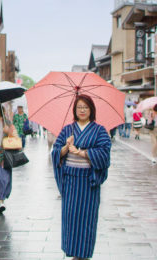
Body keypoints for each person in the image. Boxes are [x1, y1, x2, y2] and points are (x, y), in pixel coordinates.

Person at [51, 94, 111, 259]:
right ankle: (73, 252)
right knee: (71, 218)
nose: (82, 110)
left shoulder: (99, 130)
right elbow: (55, 152)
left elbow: (104, 153)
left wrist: (83, 153)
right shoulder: (67, 130)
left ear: (91, 109)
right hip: (71, 181)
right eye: (79, 107)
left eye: (85, 107)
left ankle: (82, 254)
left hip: (88, 183)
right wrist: (66, 147)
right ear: (75, 110)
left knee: (86, 220)